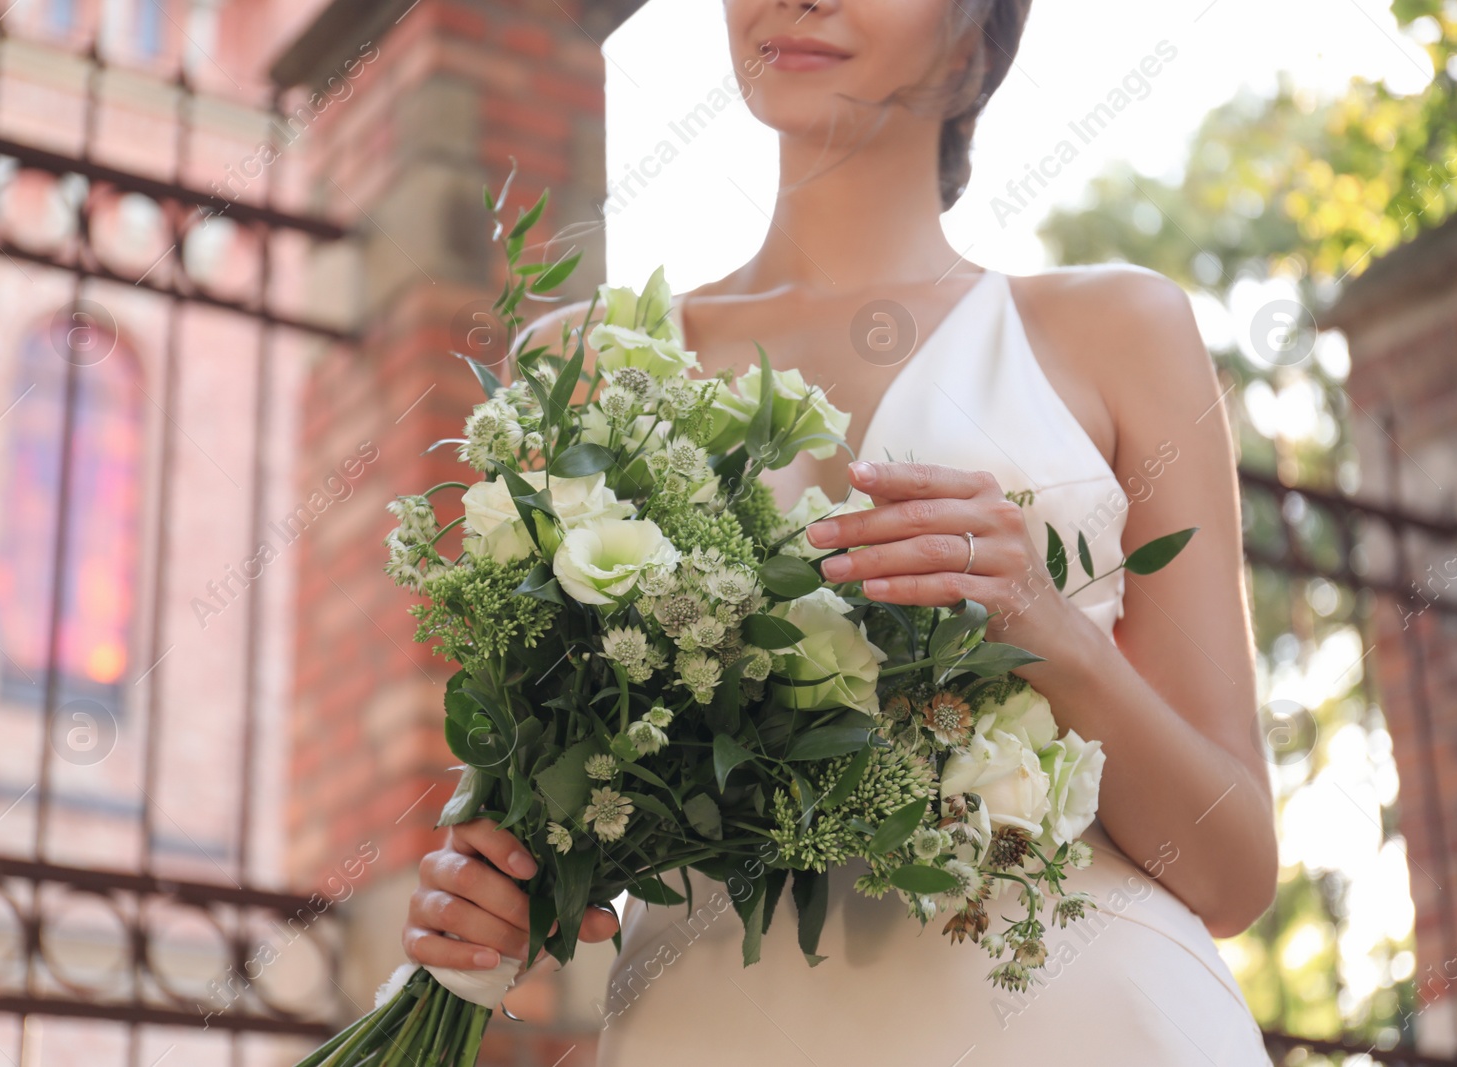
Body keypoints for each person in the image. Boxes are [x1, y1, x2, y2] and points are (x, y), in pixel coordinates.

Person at [404, 1, 1278, 1062]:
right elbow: (542, 813)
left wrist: (1045, 626)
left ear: (977, 30)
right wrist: (491, 902)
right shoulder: (577, 368)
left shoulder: (1116, 329)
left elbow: (1231, 870)